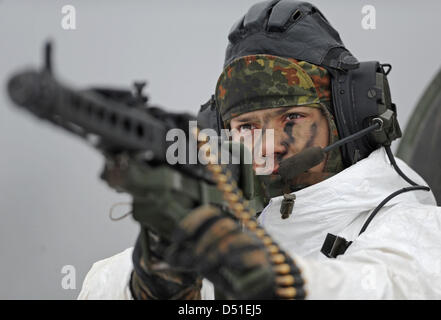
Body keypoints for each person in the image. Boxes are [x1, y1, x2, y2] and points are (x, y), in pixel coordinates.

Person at [78, 0, 441, 299]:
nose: (269, 144)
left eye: (292, 118)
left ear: (347, 117)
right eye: (247, 127)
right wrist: (157, 273)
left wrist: (279, 280)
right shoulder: (219, 231)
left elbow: (393, 287)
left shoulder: (417, 230)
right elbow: (103, 287)